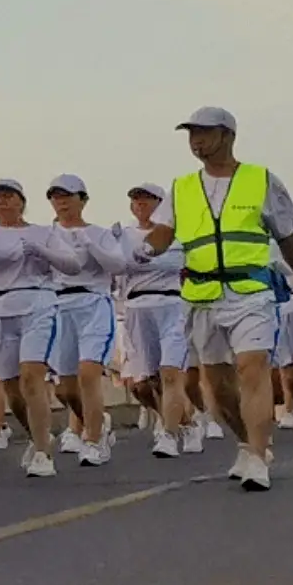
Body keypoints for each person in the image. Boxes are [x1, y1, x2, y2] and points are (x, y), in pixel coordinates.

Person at [144, 106, 293, 491]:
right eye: (191, 134)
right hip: (201, 292)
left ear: (228, 135)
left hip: (251, 290)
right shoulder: (182, 186)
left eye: (204, 133)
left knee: (252, 368)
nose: (196, 141)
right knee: (216, 384)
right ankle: (246, 440)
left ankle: (258, 456)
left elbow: (287, 238)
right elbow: (162, 232)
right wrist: (143, 249)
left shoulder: (261, 180)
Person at [0, 178, 67, 477]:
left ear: (21, 201)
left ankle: (42, 453)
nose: (2, 202)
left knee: (31, 378)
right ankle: (40, 435)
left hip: (37, 303)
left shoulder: (43, 232)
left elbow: (71, 263)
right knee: (11, 388)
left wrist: (42, 251)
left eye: (8, 197)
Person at [43, 176, 124, 466]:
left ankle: (94, 439)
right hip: (58, 306)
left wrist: (89, 242)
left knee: (88, 373)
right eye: (55, 196)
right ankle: (96, 420)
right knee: (64, 388)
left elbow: (117, 265)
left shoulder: (99, 233)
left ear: (83, 200)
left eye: (67, 195)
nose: (61, 201)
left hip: (93, 302)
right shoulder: (46, 234)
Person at [114, 185, 195, 455]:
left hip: (173, 304)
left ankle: (169, 435)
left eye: (147, 199)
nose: (140, 204)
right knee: (144, 383)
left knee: (170, 373)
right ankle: (184, 422)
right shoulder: (122, 236)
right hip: (136, 307)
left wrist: (144, 261)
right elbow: (117, 268)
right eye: (135, 199)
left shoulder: (180, 235)